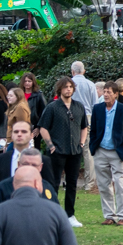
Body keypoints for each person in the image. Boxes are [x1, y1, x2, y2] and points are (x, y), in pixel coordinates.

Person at [38, 76, 89, 227]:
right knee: (53, 183)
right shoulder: (52, 107)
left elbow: (84, 126)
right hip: (57, 151)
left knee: (72, 184)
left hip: (74, 151)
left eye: (70, 87)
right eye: (65, 87)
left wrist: (81, 143)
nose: (68, 89)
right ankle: (52, 214)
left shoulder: (79, 106)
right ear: (60, 89)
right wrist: (51, 145)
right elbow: (43, 127)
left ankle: (70, 215)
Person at [88, 80, 123, 227]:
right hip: (100, 150)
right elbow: (94, 130)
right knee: (103, 184)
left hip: (117, 152)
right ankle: (109, 215)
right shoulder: (97, 109)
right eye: (105, 91)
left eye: (109, 92)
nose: (106, 94)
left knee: (120, 184)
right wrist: (93, 147)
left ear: (116, 94)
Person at [0, 121, 54, 191]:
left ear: (31, 135)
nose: (19, 134)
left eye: (24, 132)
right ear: (12, 135)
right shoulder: (2, 158)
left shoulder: (43, 160)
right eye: (16, 132)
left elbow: (50, 188)